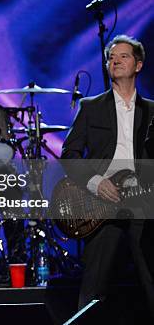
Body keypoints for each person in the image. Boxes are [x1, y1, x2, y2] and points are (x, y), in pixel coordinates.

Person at [61, 34, 154, 319]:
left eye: (123, 56)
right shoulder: (91, 106)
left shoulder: (151, 111)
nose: (115, 60)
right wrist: (96, 182)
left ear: (138, 65)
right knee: (94, 285)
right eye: (111, 57)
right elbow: (69, 155)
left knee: (150, 277)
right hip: (102, 204)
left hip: (142, 201)